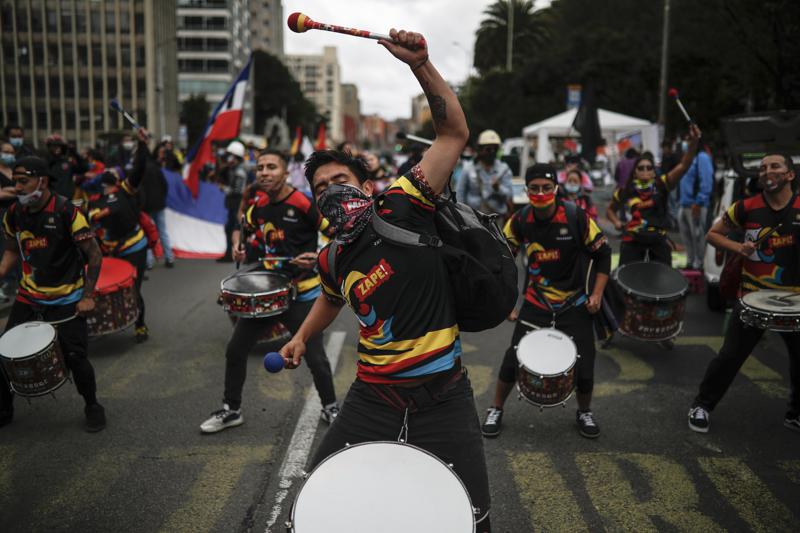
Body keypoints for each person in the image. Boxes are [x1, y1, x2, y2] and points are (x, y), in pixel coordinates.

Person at [280, 29, 492, 532]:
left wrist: (421, 66)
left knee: (474, 517)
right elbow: (331, 300)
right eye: (321, 188)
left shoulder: (403, 205)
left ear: (367, 186)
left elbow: (453, 135)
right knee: (317, 504)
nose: (333, 192)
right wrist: (302, 335)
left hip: (444, 396)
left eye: (341, 181)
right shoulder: (332, 257)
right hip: (371, 398)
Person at [200, 149, 339, 433]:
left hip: (303, 292)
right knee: (235, 350)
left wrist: (319, 255)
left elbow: (337, 234)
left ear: (285, 172)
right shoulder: (259, 205)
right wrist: (238, 242)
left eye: (271, 167)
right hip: (269, 291)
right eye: (260, 167)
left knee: (316, 359)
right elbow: (244, 225)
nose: (264, 172)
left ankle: (331, 408)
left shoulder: (302, 202)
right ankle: (232, 409)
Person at [482, 163, 611, 440]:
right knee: (512, 357)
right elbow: (503, 263)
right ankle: (496, 408)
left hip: (574, 303)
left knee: (585, 361)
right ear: (526, 190)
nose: (541, 193)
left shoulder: (576, 217)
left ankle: (584, 411)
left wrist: (597, 294)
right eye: (535, 188)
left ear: (556, 189)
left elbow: (604, 254)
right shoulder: (519, 220)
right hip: (536, 302)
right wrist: (506, 303)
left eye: (547, 187)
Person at [689, 153, 800, 434]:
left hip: (795, 303)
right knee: (729, 357)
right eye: (762, 168)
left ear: (790, 175)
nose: (767, 171)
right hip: (752, 298)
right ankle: (702, 405)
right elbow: (713, 234)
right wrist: (738, 248)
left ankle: (795, 413)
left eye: (775, 166)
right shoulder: (746, 207)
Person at [0, 156, 105, 431]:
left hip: (67, 300)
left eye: (24, 181)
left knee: (76, 357)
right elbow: (12, 249)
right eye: (15, 182)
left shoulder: (67, 211)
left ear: (42, 181)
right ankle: (4, 407)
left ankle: (92, 405)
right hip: (29, 296)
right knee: (4, 353)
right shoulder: (14, 213)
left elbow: (94, 255)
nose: (18, 187)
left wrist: (88, 296)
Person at [86, 129, 152, 343]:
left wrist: (142, 145)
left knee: (134, 286)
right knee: (104, 287)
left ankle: (140, 324)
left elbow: (140, 169)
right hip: (109, 249)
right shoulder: (94, 201)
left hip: (134, 246)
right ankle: (107, 321)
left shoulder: (126, 190)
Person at [606, 125, 702, 266]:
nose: (645, 170)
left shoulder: (662, 184)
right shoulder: (626, 190)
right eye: (641, 168)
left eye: (649, 168)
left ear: (653, 172)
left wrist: (694, 142)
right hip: (633, 239)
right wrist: (617, 223)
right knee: (628, 277)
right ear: (635, 172)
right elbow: (610, 210)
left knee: (662, 280)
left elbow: (684, 165)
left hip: (658, 239)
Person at [456, 129, 513, 218]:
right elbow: (460, 194)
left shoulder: (504, 169)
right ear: (480, 149)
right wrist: (462, 216)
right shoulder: (468, 168)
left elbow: (509, 195)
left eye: (495, 149)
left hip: (496, 218)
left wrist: (498, 189)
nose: (492, 152)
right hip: (474, 218)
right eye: (488, 149)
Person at [677, 143, 714, 270]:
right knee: (687, 236)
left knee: (697, 236)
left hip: (696, 204)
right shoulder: (688, 158)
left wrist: (699, 201)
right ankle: (691, 261)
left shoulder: (701, 157)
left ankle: (699, 264)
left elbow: (706, 181)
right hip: (684, 203)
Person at [217, 141, 250, 263]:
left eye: (230, 155)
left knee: (233, 228)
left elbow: (237, 190)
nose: (228, 158)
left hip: (237, 203)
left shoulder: (239, 171)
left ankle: (232, 253)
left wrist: (223, 188)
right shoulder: (233, 168)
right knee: (232, 228)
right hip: (234, 203)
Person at [0, 142, 19, 301]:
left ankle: (14, 284)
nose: (9, 154)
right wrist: (16, 191)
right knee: (4, 249)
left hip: (16, 213)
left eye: (11, 152)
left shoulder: (13, 171)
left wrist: (8, 190)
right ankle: (5, 285)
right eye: (6, 152)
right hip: (2, 214)